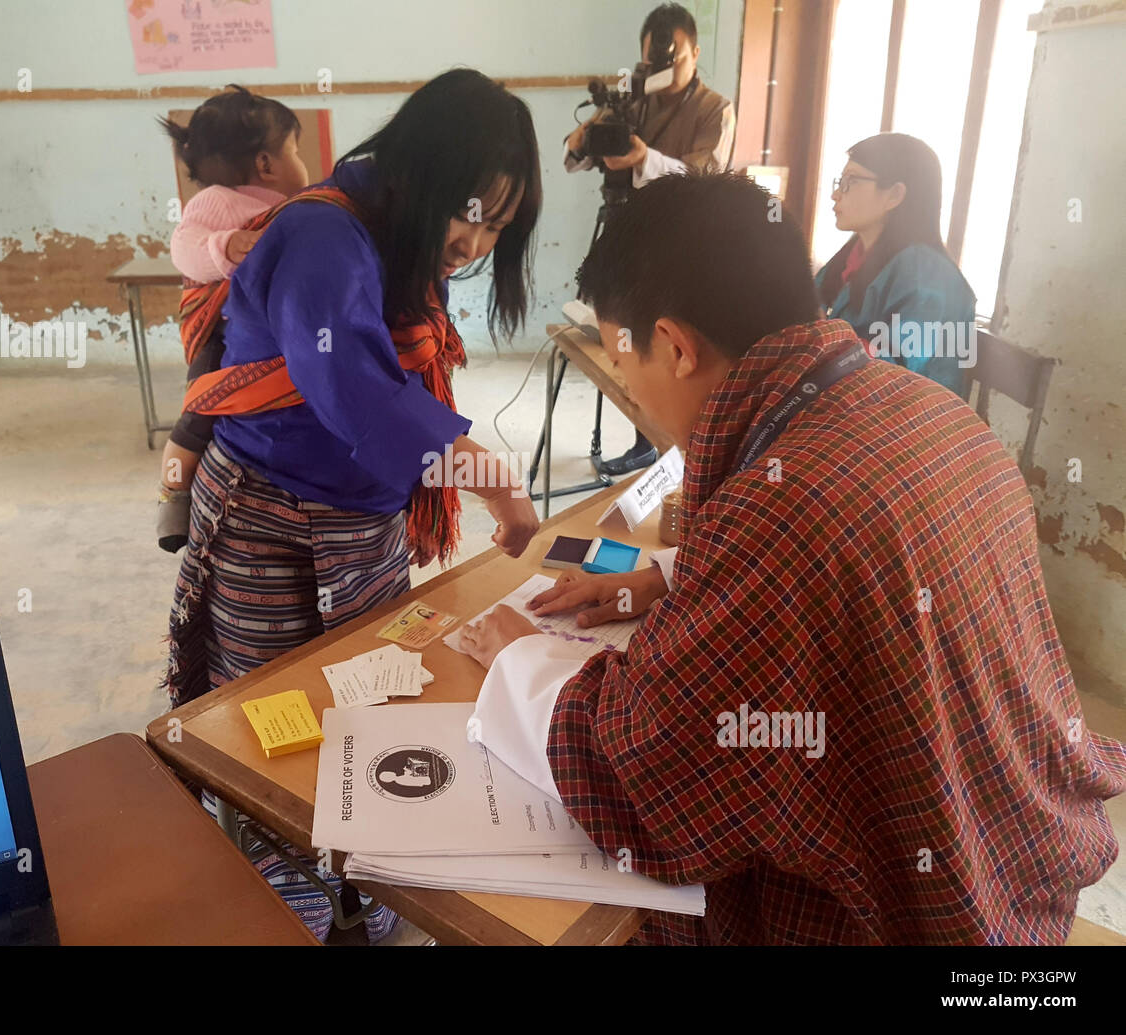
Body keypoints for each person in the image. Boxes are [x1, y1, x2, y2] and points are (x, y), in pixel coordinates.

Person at [458, 172, 1126, 945]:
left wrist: (523, 662)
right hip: (1016, 880)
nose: (628, 391)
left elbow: (639, 776)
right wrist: (668, 577)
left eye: (624, 359)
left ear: (674, 346)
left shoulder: (777, 517)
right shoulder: (931, 411)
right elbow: (853, 573)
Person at [163, 68, 543, 942]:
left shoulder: (396, 231)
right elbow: (353, 387)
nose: (477, 243)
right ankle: (284, 905)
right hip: (270, 523)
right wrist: (486, 473)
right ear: (422, 170)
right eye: (472, 211)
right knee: (270, 722)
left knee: (360, 700)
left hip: (360, 525)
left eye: (499, 224)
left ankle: (357, 879)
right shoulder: (323, 234)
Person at [564, 2, 735, 476]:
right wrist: (583, 136)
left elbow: (707, 174)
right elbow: (574, 160)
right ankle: (639, 437)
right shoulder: (630, 96)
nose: (660, 71)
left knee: (665, 340)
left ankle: (671, 445)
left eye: (671, 60)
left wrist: (644, 159)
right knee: (619, 331)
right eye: (652, 63)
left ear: (695, 52)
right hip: (627, 228)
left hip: (685, 240)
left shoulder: (715, 109)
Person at [155, 86, 311, 552]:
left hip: (270, 335)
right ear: (266, 164)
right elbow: (184, 248)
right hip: (223, 339)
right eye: (295, 151)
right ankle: (172, 498)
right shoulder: (218, 201)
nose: (302, 163)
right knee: (196, 421)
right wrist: (222, 247)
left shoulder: (295, 210)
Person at [815, 133, 977, 397]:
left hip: (909, 425)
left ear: (895, 195)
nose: (835, 194)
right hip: (851, 408)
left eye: (850, 182)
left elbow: (893, 374)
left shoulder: (929, 278)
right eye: (839, 182)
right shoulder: (849, 257)